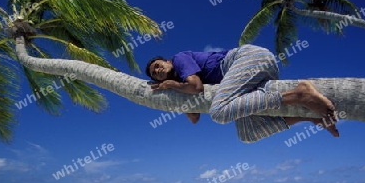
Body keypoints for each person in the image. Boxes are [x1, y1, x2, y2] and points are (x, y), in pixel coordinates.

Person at [145, 44, 339, 143]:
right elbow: (194, 117)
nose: (158, 71)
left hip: (249, 58)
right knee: (247, 135)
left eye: (157, 66)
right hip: (251, 77)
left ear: (167, 61)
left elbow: (196, 87)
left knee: (219, 112)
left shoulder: (179, 59)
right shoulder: (180, 82)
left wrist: (173, 85)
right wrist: (176, 97)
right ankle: (308, 118)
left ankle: (299, 95)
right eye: (155, 74)